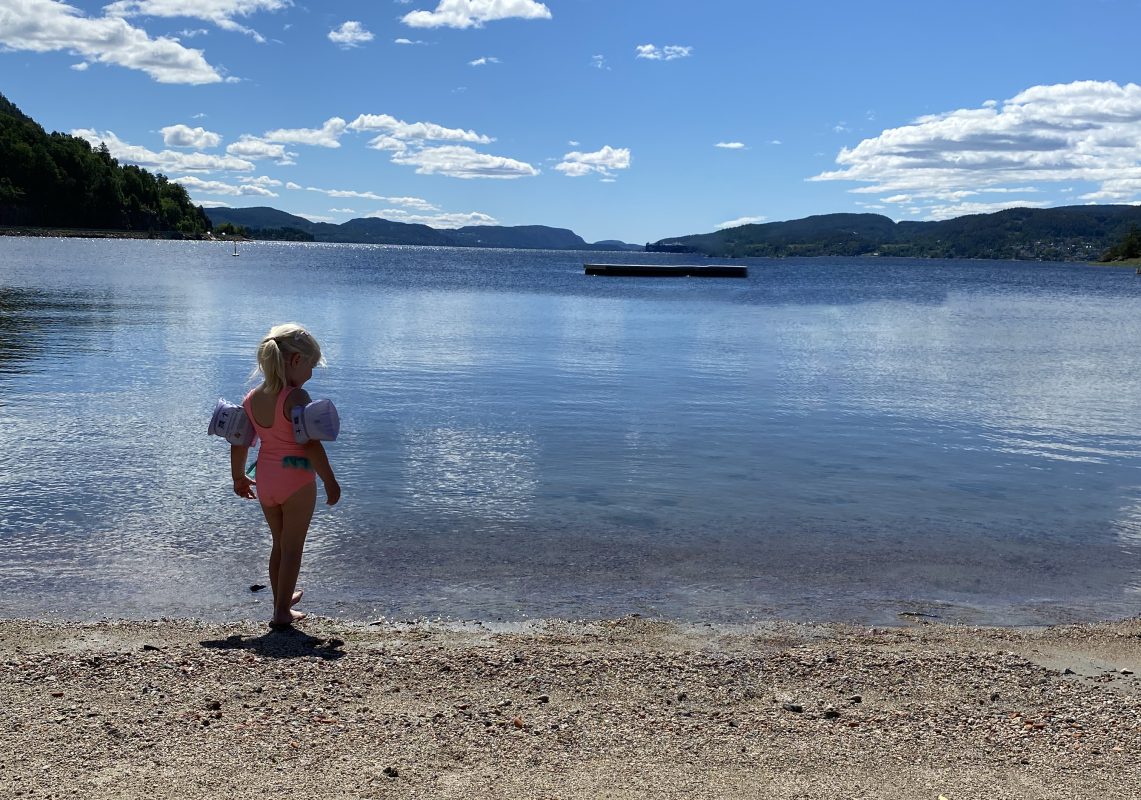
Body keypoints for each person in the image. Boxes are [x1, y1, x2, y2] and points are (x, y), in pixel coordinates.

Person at [230, 323, 341, 629]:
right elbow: (311, 444)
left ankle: (283, 596)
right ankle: (281, 613)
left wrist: (238, 478)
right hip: (296, 480)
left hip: (266, 480)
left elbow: (239, 442)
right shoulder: (297, 396)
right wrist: (330, 480)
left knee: (279, 544)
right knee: (293, 548)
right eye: (311, 365)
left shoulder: (252, 398)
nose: (311, 373)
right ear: (295, 361)